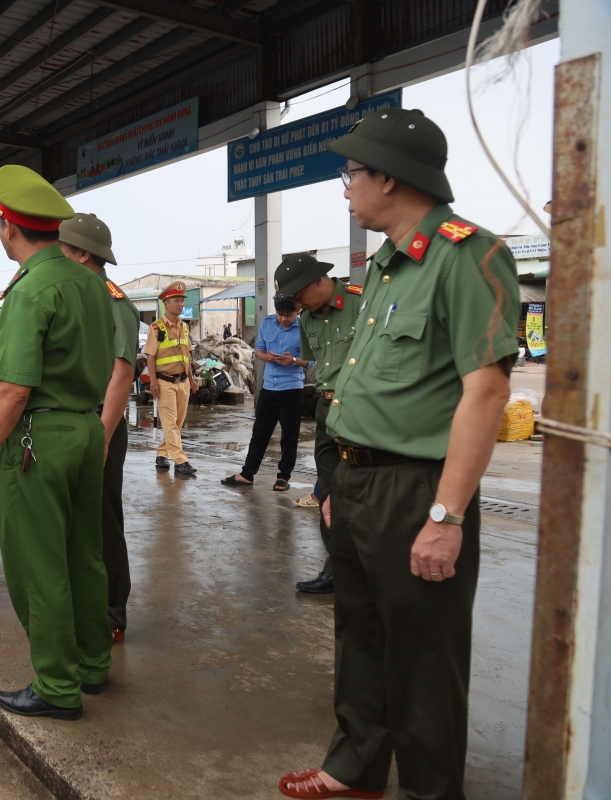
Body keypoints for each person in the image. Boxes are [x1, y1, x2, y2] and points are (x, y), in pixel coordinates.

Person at [278, 109, 518, 800]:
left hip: (416, 490)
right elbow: (357, 383)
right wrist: (335, 483)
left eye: (352, 173)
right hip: (356, 483)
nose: (346, 188)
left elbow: (486, 391)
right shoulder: (385, 266)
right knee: (359, 635)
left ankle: (427, 790)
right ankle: (355, 767)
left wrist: (447, 515)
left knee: (423, 658)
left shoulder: (467, 255)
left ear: (389, 177)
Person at [0, 165, 114, 720]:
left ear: (8, 227)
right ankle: (93, 664)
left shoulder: (29, 291)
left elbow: (11, 393)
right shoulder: (91, 284)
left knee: (38, 564)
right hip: (85, 429)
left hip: (38, 438)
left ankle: (56, 686)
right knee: (84, 555)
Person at [58, 212, 138, 644]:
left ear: (82, 254)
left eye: (62, 248)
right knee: (70, 517)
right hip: (66, 421)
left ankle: (111, 610)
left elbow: (122, 375)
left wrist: (103, 438)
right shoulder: (69, 295)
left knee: (102, 516)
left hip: (98, 423)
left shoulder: (114, 303)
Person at [273, 253, 364, 595]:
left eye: (299, 297)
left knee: (364, 489)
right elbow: (314, 360)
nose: (298, 306)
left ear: (319, 281)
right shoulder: (307, 318)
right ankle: (336, 569)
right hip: (327, 409)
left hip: (360, 408)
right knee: (328, 489)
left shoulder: (361, 302)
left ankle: (370, 569)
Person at [223, 299, 309, 491]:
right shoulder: (267, 323)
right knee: (259, 433)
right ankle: (247, 474)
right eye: (280, 314)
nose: (283, 318)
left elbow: (311, 360)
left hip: (291, 389)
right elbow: (259, 349)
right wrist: (267, 357)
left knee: (289, 435)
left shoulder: (304, 327)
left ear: (298, 311)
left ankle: (283, 477)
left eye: (289, 315)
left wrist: (293, 360)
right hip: (269, 387)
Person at [144, 283, 196, 475]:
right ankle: (180, 461)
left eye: (182, 301)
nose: (180, 304)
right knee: (171, 423)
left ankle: (162, 453)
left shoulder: (184, 327)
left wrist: (191, 378)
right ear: (166, 303)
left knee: (177, 423)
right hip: (165, 382)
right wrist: (153, 382)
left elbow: (187, 355)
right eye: (176, 301)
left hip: (183, 382)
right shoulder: (156, 328)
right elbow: (150, 356)